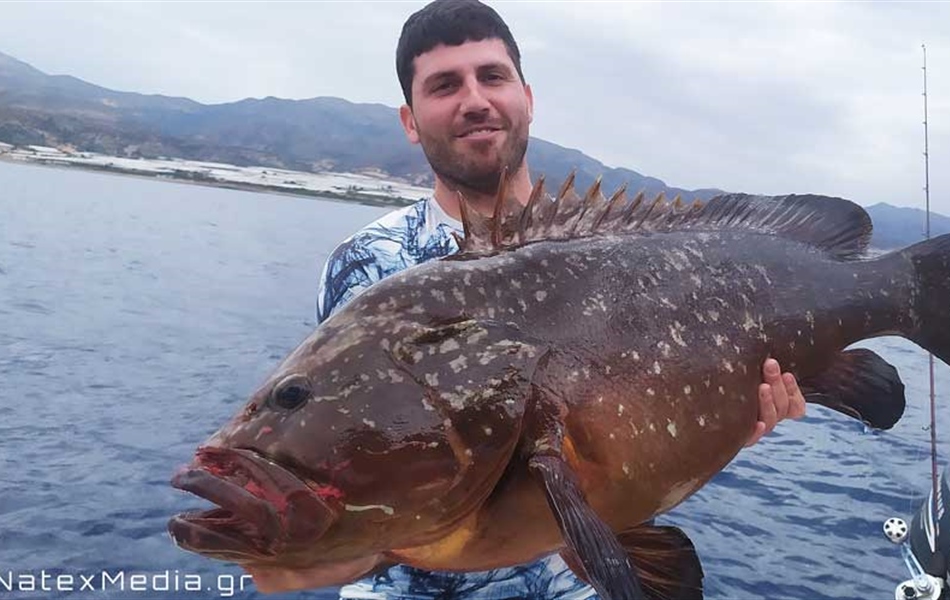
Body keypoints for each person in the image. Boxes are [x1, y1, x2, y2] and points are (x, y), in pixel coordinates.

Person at [315, 1, 807, 598]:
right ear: (410, 120)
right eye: (444, 85)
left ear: (527, 96)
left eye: (492, 77)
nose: (474, 99)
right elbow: (342, 459)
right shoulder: (365, 267)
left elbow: (637, 438)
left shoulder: (623, 252)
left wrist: (727, 417)